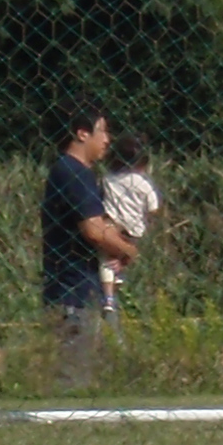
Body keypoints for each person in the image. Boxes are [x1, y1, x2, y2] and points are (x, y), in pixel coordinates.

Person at [41, 98, 139, 385]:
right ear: (82, 133)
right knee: (72, 376)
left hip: (77, 286)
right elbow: (93, 229)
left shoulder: (73, 173)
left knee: (82, 369)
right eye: (102, 131)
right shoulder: (74, 172)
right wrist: (126, 249)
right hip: (72, 291)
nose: (108, 139)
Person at [96, 133, 161, 315]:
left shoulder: (108, 179)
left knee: (106, 259)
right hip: (135, 229)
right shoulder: (143, 183)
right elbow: (153, 207)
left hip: (113, 226)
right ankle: (120, 274)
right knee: (124, 255)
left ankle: (108, 296)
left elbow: (101, 197)